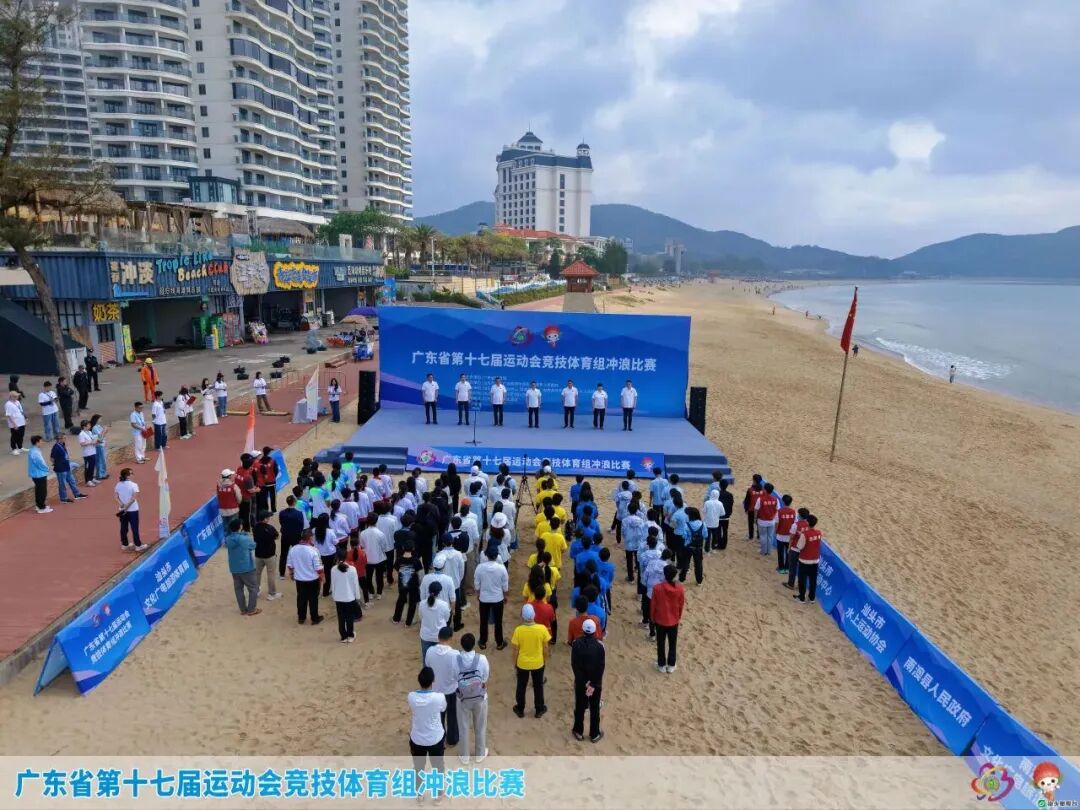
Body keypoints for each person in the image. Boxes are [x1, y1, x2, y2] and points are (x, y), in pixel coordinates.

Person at [455, 632, 489, 764]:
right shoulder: (482, 659)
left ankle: (464, 756)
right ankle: (480, 754)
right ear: (474, 644)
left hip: (462, 699)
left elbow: (454, 678)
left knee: (463, 727)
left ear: (462, 645)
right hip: (480, 697)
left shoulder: (456, 660)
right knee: (480, 726)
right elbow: (485, 677)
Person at [511, 603, 550, 718]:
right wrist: (545, 660)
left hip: (522, 663)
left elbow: (515, 650)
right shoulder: (542, 629)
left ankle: (520, 708)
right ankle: (539, 709)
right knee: (538, 686)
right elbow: (546, 648)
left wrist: (515, 663)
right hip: (538, 663)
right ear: (534, 615)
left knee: (521, 686)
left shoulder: (518, 630)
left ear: (522, 616)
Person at [407, 667, 446, 778]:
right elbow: (443, 708)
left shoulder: (411, 697)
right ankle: (438, 787)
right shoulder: (439, 697)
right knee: (438, 767)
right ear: (433, 680)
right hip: (435, 739)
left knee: (418, 767)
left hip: (417, 739)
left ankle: (418, 788)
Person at [570, 618, 605, 743]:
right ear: (595, 631)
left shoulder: (576, 644)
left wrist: (582, 681)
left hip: (581, 682)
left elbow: (574, 664)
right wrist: (593, 683)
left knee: (580, 706)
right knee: (595, 708)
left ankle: (578, 731)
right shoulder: (600, 646)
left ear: (583, 630)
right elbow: (601, 667)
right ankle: (594, 734)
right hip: (595, 683)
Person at [425, 626, 460, 748]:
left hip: (435, 691)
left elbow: (428, 668)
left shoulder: (430, 651)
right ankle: (452, 739)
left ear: (438, 637)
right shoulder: (455, 654)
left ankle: (439, 739)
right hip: (451, 691)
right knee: (452, 716)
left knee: (438, 717)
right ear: (450, 638)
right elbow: (458, 673)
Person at [474, 545, 509, 650]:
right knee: (498, 621)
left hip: (484, 598)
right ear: (496, 556)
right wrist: (505, 597)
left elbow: (477, 584)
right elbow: (505, 586)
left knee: (483, 621)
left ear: (486, 555)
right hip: (498, 598)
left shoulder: (480, 568)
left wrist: (478, 594)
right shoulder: (502, 568)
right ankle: (499, 643)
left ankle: (483, 642)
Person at [652, 564, 685, 673]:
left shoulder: (657, 588)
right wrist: (678, 617)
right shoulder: (680, 589)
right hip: (673, 620)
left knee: (660, 643)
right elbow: (681, 605)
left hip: (660, 620)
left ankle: (661, 665)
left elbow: (653, 605)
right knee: (672, 643)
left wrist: (653, 617)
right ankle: (671, 664)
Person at [286, 528, 324, 624]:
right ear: (310, 538)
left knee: (301, 598)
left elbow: (290, 565)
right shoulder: (314, 550)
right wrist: (322, 577)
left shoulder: (293, 549)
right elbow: (318, 568)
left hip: (299, 579)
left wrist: (292, 574)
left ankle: (301, 617)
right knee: (313, 599)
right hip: (312, 579)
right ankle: (314, 618)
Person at [225, 518, 261, 616]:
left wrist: (242, 535)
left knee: (238, 589)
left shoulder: (228, 538)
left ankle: (243, 609)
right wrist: (246, 536)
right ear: (240, 527)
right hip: (246, 567)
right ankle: (251, 609)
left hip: (234, 568)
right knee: (253, 588)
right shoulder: (243, 538)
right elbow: (253, 546)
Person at [331, 549, 362, 642]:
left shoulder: (333, 569)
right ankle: (350, 635)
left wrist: (334, 596)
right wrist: (357, 596)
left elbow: (333, 584)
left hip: (338, 598)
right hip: (349, 598)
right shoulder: (352, 569)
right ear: (346, 556)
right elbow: (355, 584)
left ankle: (343, 636)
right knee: (349, 617)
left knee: (341, 618)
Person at [253, 510, 282, 601]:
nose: (269, 518)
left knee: (257, 573)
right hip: (269, 555)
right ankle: (272, 594)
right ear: (265, 519)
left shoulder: (255, 527)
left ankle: (256, 591)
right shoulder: (270, 528)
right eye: (268, 517)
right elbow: (277, 536)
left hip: (258, 554)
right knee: (271, 574)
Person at [419, 581, 452, 664]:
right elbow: (447, 619)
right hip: (439, 636)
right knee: (440, 661)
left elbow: (421, 617)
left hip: (426, 636)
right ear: (439, 592)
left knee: (426, 660)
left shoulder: (422, 604)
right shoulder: (444, 605)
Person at [114, 467, 146, 551]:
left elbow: (116, 497)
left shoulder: (118, 484)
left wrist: (122, 505)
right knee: (134, 528)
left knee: (123, 528)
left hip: (122, 510)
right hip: (133, 510)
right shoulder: (134, 485)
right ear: (127, 476)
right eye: (131, 473)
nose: (133, 475)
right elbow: (133, 498)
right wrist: (126, 507)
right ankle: (138, 545)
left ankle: (124, 544)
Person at [792, 514, 822, 604]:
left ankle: (802, 598)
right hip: (815, 560)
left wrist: (801, 536)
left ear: (808, 523)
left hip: (805, 560)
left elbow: (799, 546)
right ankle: (812, 598)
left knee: (802, 579)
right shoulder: (819, 533)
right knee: (813, 580)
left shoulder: (805, 534)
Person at [392, 540, 423, 625]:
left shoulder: (398, 560)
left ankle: (396, 619)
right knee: (412, 602)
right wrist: (419, 583)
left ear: (403, 548)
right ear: (413, 548)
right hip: (414, 585)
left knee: (401, 600)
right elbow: (420, 574)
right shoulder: (416, 560)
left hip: (402, 584)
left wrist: (396, 581)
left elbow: (394, 572)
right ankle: (408, 622)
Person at [50, 434, 85, 503]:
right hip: (60, 469)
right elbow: (52, 458)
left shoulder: (62, 445)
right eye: (64, 438)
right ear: (59, 439)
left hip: (66, 467)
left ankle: (77, 494)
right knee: (62, 484)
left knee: (72, 481)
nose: (65, 439)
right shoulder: (56, 447)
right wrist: (57, 463)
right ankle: (63, 498)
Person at [278, 495, 305, 579]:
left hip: (285, 536)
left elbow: (281, 522)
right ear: (294, 502)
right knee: (296, 555)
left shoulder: (282, 513)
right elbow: (301, 525)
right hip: (296, 536)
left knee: (283, 555)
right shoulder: (299, 513)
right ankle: (296, 572)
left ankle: (282, 574)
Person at [27, 435, 53, 513]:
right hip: (39, 474)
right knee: (42, 491)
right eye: (41, 441)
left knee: (39, 490)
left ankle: (39, 506)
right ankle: (41, 507)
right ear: (37, 442)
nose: (43, 442)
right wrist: (46, 468)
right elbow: (40, 463)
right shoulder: (35, 452)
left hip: (37, 474)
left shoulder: (34, 450)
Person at [754, 482, 780, 558]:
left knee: (763, 536)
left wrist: (755, 518)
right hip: (771, 521)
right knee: (770, 536)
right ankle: (769, 551)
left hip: (762, 521)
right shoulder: (776, 499)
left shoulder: (760, 499)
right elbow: (778, 510)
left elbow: (756, 509)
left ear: (765, 490)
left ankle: (763, 551)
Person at [775, 494, 797, 574]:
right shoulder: (794, 512)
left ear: (783, 502)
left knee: (780, 553)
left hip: (780, 536)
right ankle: (787, 568)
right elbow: (795, 524)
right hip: (789, 537)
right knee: (788, 553)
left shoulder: (779, 512)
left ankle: (781, 568)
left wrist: (776, 531)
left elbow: (777, 523)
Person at [77, 420, 98, 488]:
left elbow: (92, 439)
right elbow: (82, 444)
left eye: (90, 425)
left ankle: (91, 478)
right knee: (88, 467)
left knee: (92, 466)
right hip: (87, 454)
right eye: (88, 425)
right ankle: (88, 481)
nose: (90, 426)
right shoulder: (81, 434)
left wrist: (96, 442)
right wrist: (91, 442)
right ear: (84, 426)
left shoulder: (89, 432)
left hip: (93, 451)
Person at [703, 489, 726, 554]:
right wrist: (717, 514)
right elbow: (723, 513)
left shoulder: (707, 502)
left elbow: (704, 511)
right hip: (715, 523)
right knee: (715, 537)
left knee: (708, 537)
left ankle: (706, 550)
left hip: (707, 523)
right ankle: (713, 549)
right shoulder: (720, 503)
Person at [715, 478, 734, 551]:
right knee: (725, 530)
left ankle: (719, 544)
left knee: (718, 530)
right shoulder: (730, 495)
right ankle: (724, 545)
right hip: (726, 516)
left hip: (718, 516)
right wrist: (729, 513)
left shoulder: (717, 494)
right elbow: (731, 504)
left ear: (720, 485)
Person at [89, 414, 108, 481]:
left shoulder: (98, 426)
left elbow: (103, 435)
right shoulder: (94, 428)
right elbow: (100, 436)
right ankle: (100, 475)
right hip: (99, 446)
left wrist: (105, 430)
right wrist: (104, 430)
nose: (101, 420)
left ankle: (103, 473)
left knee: (103, 460)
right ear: (96, 420)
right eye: (100, 419)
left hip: (102, 444)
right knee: (100, 460)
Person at [7, 390, 26, 455]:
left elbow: (21, 411)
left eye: (17, 396)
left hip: (21, 422)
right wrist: (14, 424)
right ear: (11, 397)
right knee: (14, 436)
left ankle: (20, 447)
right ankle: (14, 449)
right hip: (15, 424)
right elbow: (9, 415)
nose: (17, 397)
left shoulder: (17, 402)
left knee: (21, 435)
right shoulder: (8, 404)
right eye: (16, 396)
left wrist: (25, 418)